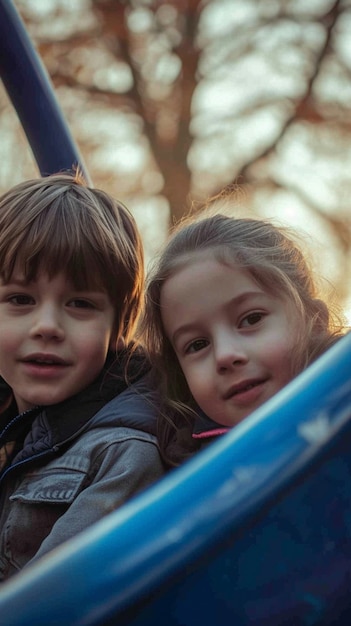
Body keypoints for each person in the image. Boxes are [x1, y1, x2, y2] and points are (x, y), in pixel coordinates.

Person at [0, 171, 165, 582]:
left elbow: (43, 606)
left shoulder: (125, 453)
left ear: (121, 324)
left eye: (79, 304)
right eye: (20, 299)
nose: (48, 326)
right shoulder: (12, 430)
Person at [140, 211, 347, 468]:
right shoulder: (182, 472)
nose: (225, 355)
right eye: (197, 345)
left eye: (251, 319)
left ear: (314, 320)